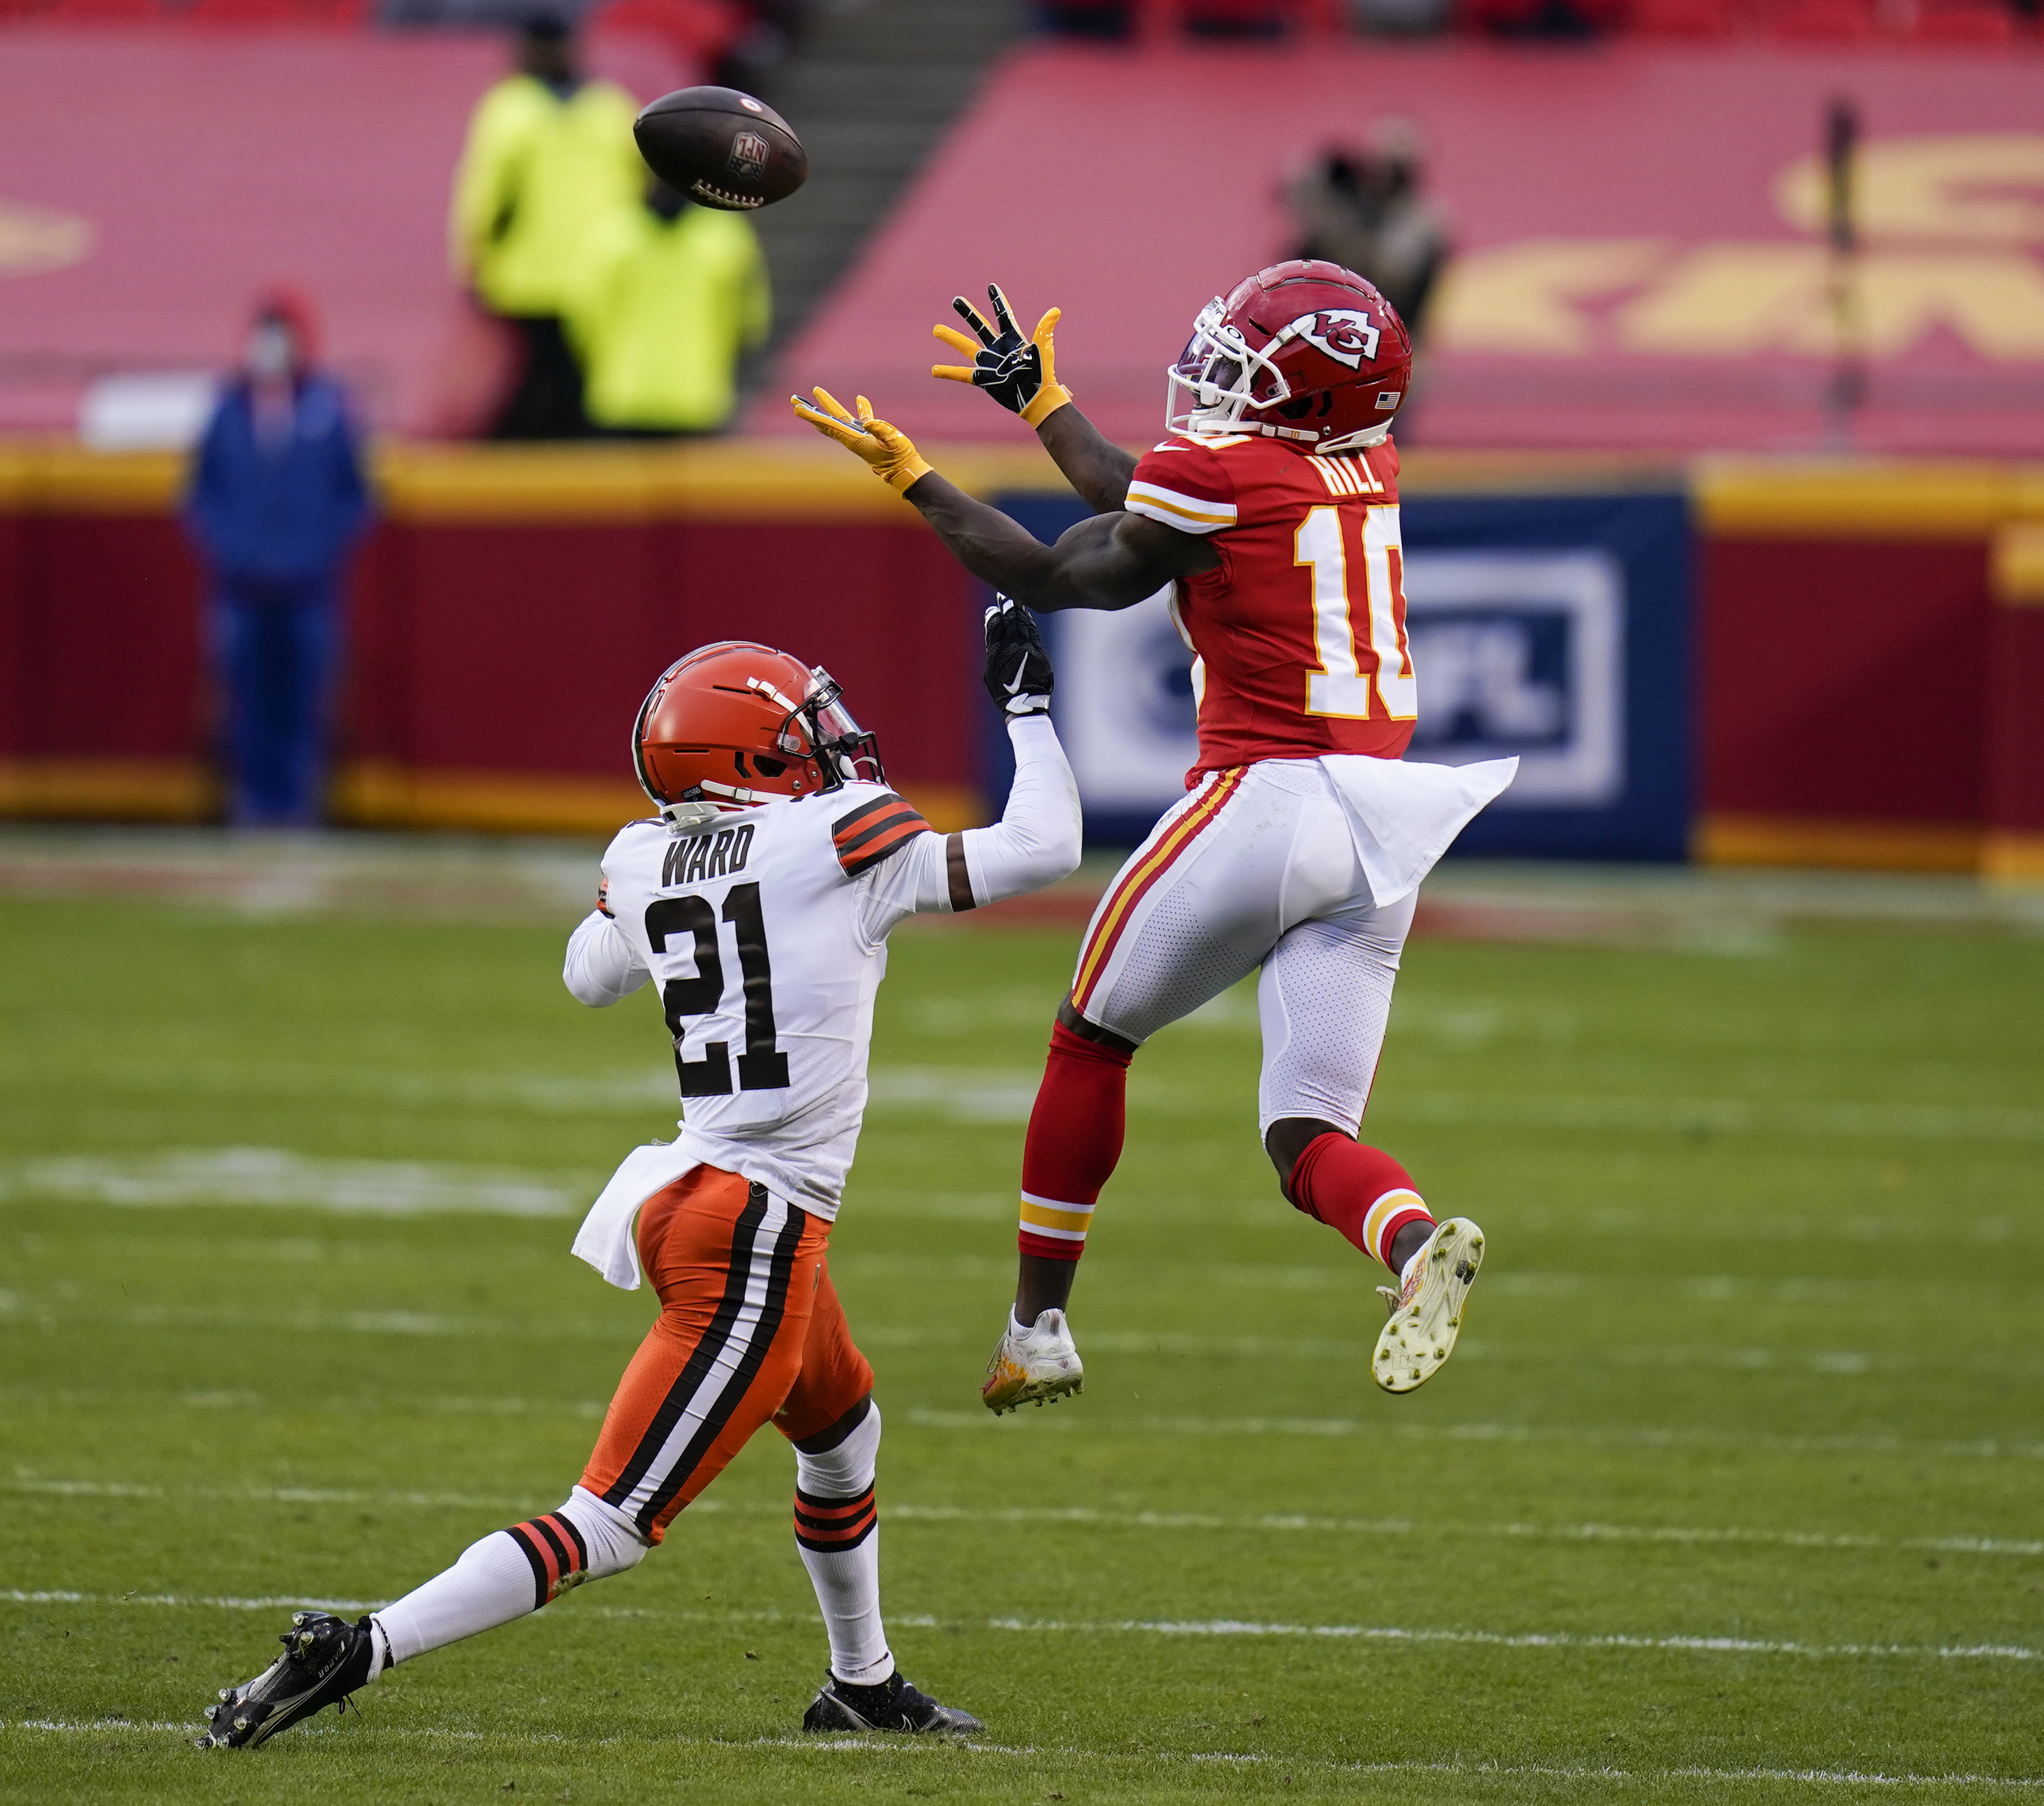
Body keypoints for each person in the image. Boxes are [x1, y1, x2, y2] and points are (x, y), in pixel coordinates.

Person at [196, 615, 1082, 1749]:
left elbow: (586, 975)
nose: (833, 746)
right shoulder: (842, 837)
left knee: (843, 1429)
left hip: (698, 1197)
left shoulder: (641, 855)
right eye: (804, 733)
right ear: (752, 759)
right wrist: (1026, 711)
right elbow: (1047, 845)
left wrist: (659, 889)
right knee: (608, 1523)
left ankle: (862, 1683)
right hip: (752, 1230)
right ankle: (359, 1646)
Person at [793, 262, 1512, 1411]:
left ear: (1304, 396)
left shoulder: (1222, 474)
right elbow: (1154, 505)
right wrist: (1044, 410)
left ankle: (1038, 1329)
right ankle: (1410, 1240)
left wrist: (922, 483)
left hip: (1267, 798)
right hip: (1384, 823)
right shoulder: (1363, 456)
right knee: (1307, 1131)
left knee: (1091, 1040)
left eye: (1249, 369)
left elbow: (1060, 573)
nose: (1218, 378)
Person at [181, 289, 374, 830]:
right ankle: (252, 803)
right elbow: (201, 494)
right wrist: (233, 550)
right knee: (246, 700)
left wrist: (316, 550)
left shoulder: (328, 407)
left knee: (303, 700)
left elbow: (355, 496)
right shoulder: (227, 409)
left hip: (307, 589)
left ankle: (297, 806)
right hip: (242, 588)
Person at [449, 14, 646, 440]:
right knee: (561, 374)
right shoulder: (609, 109)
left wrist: (473, 259)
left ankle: (516, 456)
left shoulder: (512, 108)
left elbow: (484, 194)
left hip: (541, 272)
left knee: (552, 375)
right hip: (570, 274)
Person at [568, 176, 769, 436]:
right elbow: (750, 320)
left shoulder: (612, 236)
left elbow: (583, 318)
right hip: (697, 396)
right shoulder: (725, 237)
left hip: (623, 394)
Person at [1283, 120, 1451, 349]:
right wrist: (1324, 177)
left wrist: (1343, 222)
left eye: (1396, 166)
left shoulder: (1424, 221)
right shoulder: (1351, 197)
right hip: (1316, 318)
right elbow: (1287, 190)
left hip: (1381, 337)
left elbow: (1389, 273)